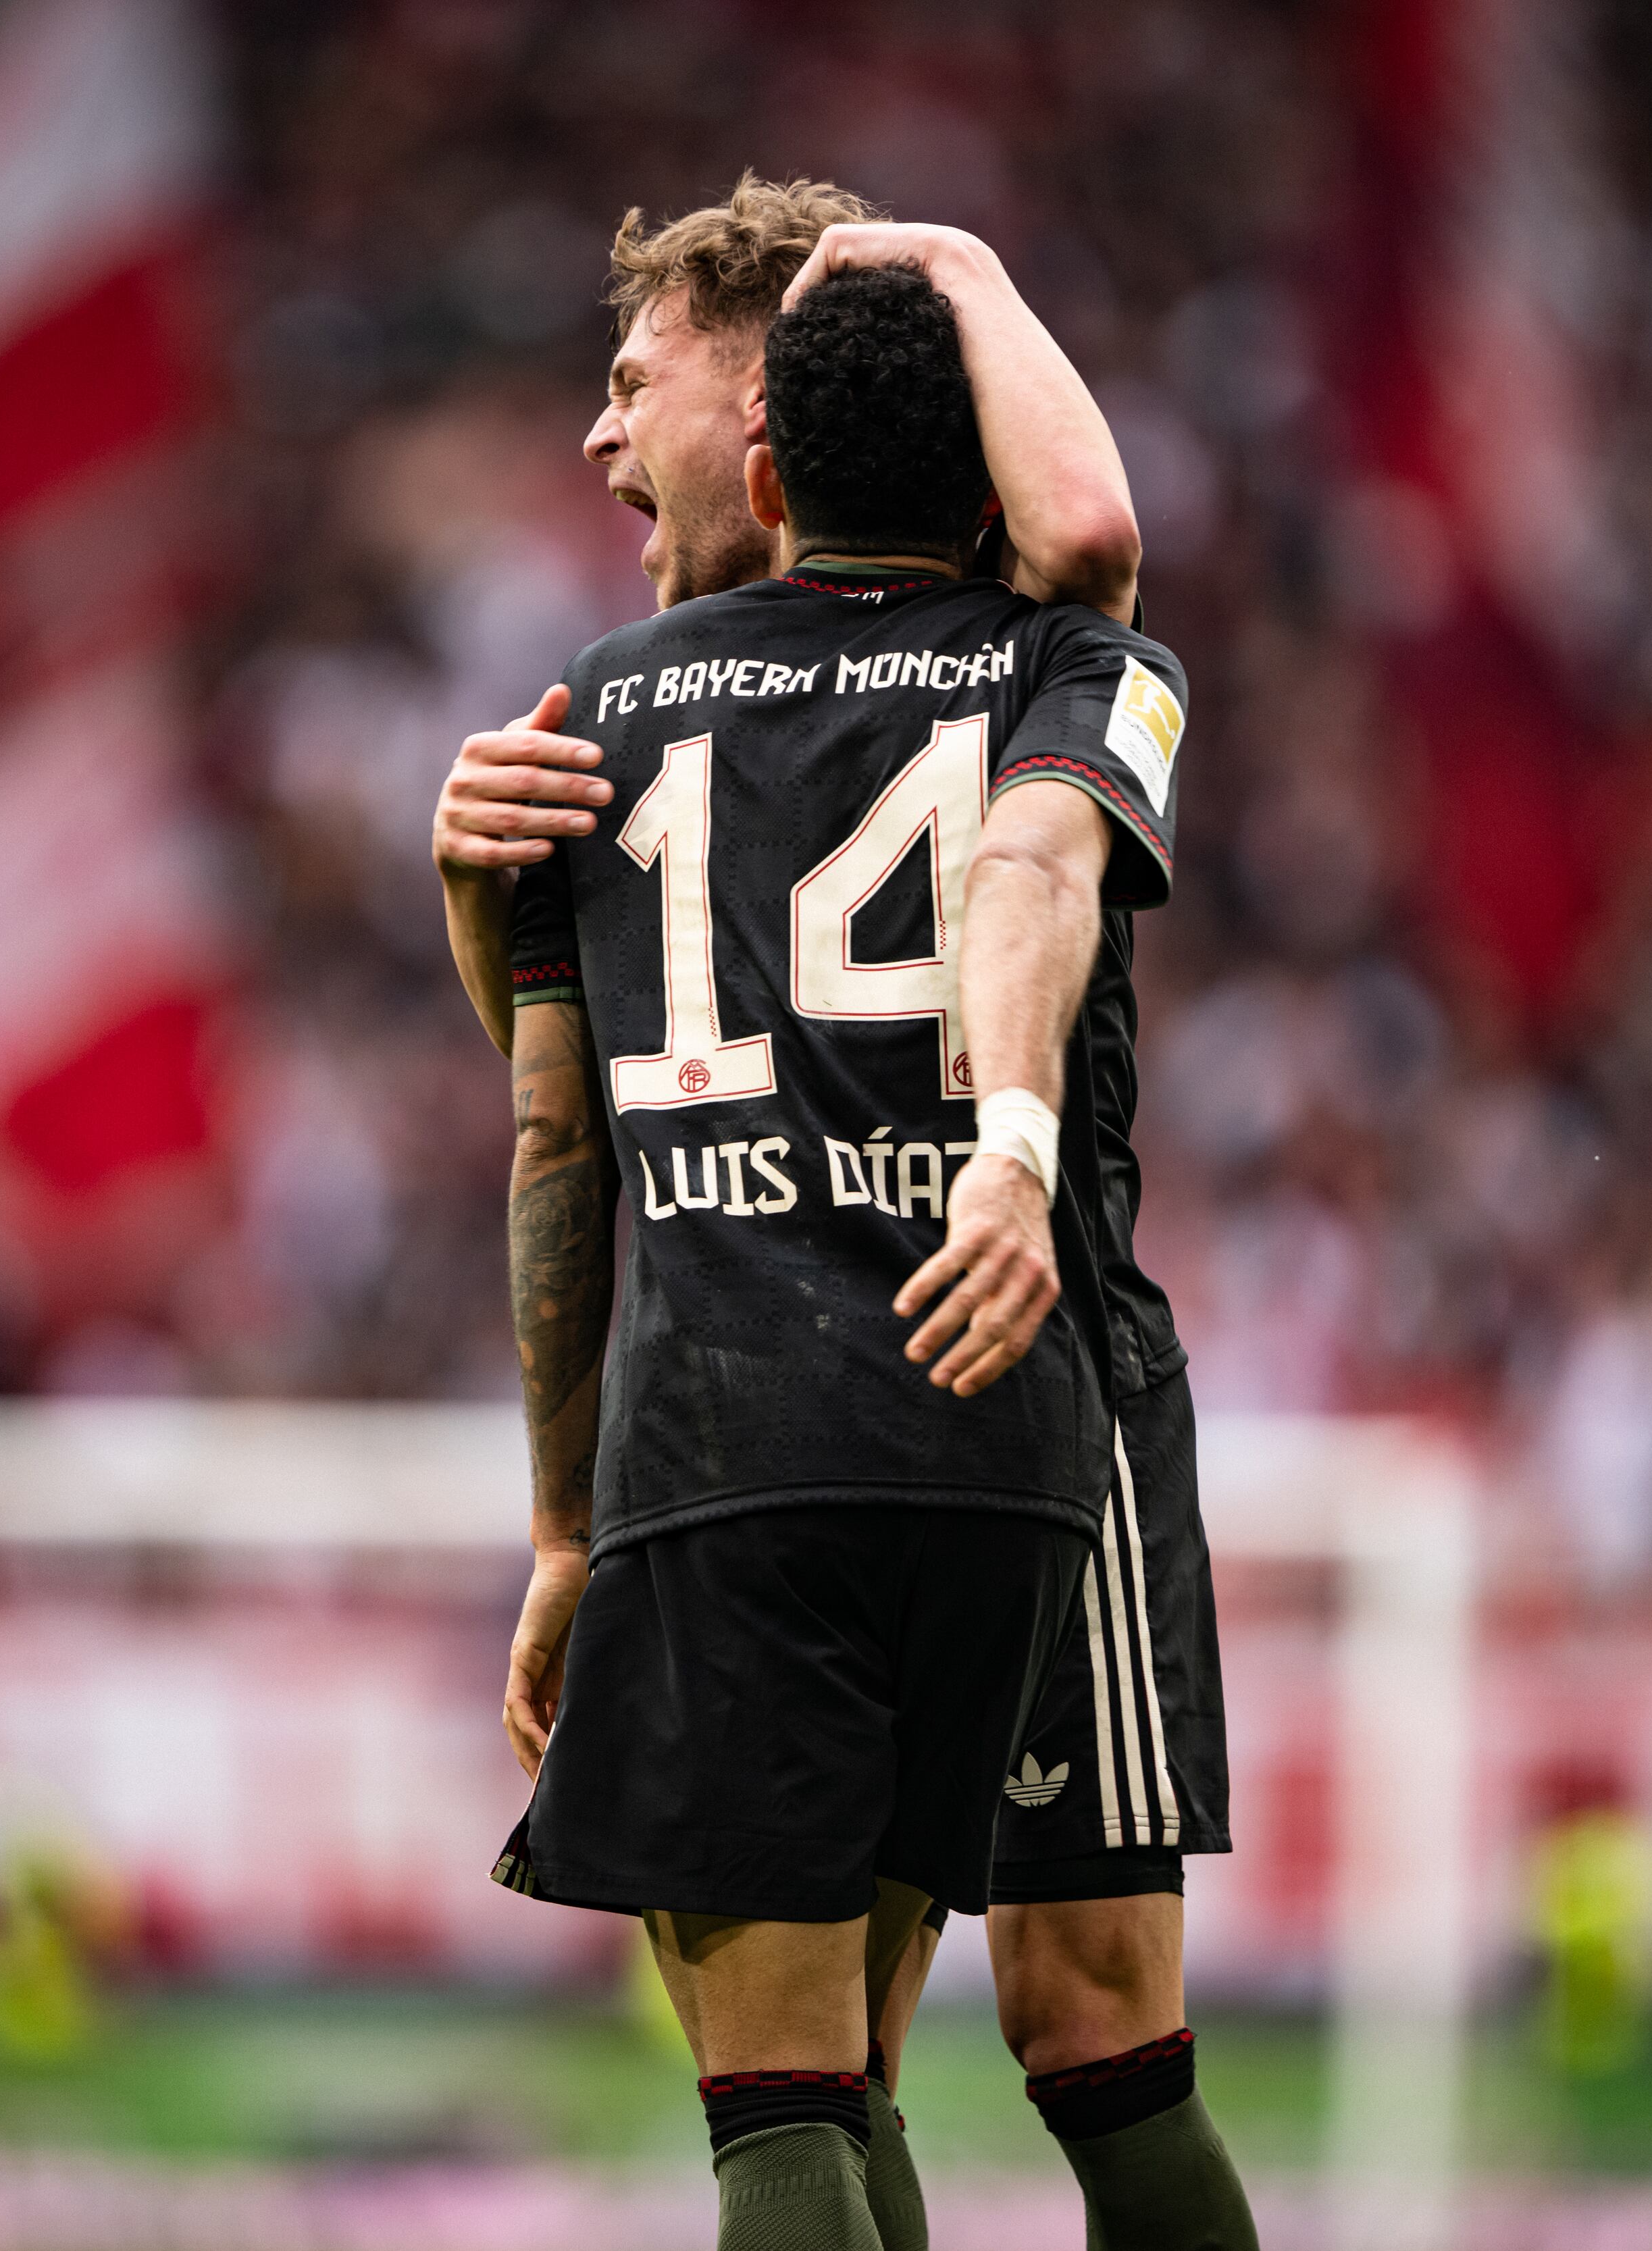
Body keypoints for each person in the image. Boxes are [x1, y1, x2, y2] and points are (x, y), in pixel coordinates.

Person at [440, 179, 1244, 2250]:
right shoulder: (1051, 677)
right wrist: (478, 897)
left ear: (770, 430)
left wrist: (565, 1527)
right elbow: (1027, 849)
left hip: (822, 1419)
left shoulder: (603, 710)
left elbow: (565, 1139)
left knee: (892, 2061)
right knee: (909, 2062)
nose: (601, 439)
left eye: (635, 385)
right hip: (998, 1405)